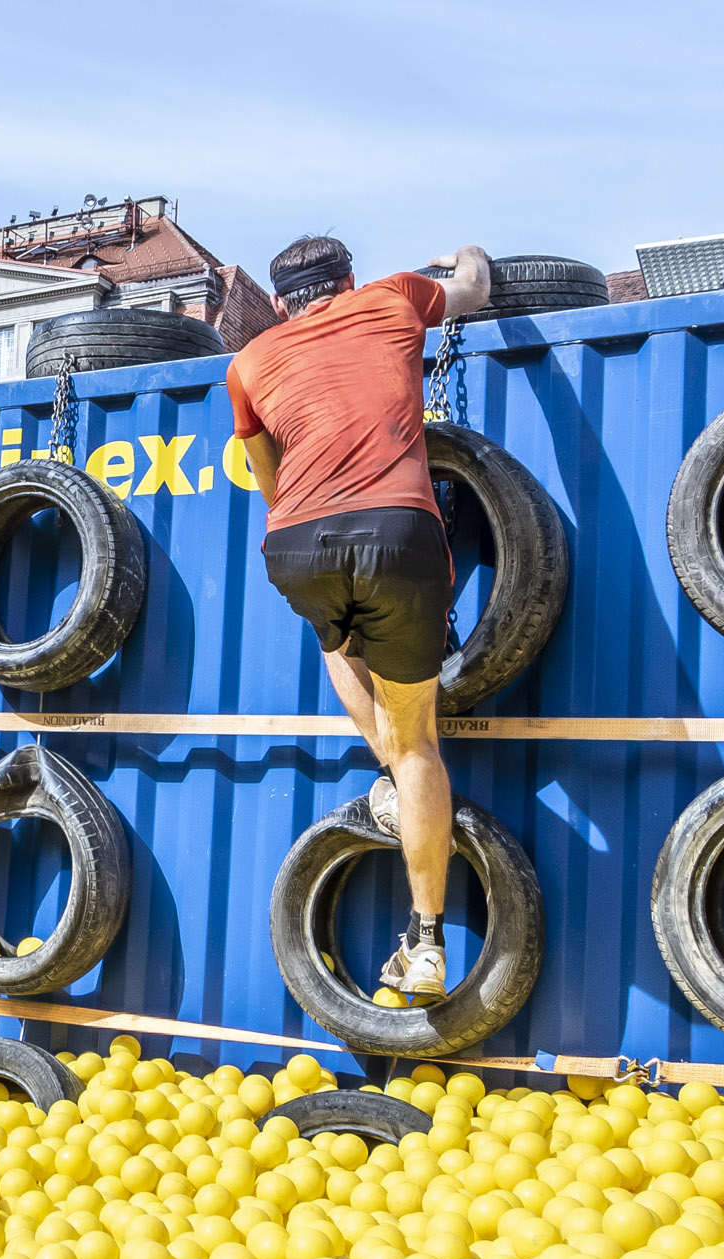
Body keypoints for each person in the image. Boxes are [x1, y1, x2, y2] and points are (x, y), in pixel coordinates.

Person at [229, 235, 492, 1003]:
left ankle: (385, 778)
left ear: (279, 305)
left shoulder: (246, 362)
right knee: (418, 745)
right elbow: (473, 288)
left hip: (296, 544)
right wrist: (467, 251)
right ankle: (424, 942)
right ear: (347, 281)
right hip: (397, 530)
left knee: (336, 640)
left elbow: (268, 481)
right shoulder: (395, 295)